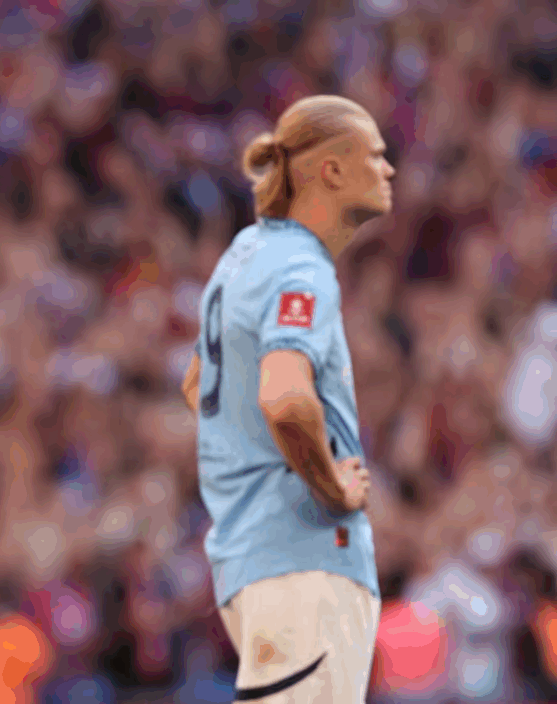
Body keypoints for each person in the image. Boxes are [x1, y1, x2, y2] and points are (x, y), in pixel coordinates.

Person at [181, 95, 395, 703]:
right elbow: (284, 398)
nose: (389, 169)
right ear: (330, 170)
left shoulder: (244, 254)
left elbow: (198, 387)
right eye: (376, 156)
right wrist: (332, 487)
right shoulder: (302, 266)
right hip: (305, 557)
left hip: (253, 564)